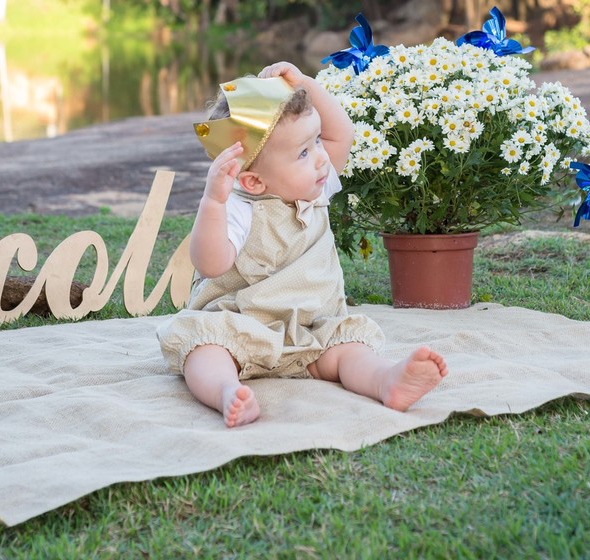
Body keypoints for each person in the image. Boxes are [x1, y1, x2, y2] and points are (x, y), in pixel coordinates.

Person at [157, 61, 447, 427]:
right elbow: (210, 263)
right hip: (240, 328)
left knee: (349, 348)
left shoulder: (316, 186)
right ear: (253, 181)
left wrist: (305, 84)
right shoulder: (239, 207)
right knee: (203, 350)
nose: (323, 157)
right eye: (304, 152)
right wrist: (212, 202)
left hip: (313, 331)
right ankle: (226, 392)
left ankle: (385, 380)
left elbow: (342, 134)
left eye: (316, 141)